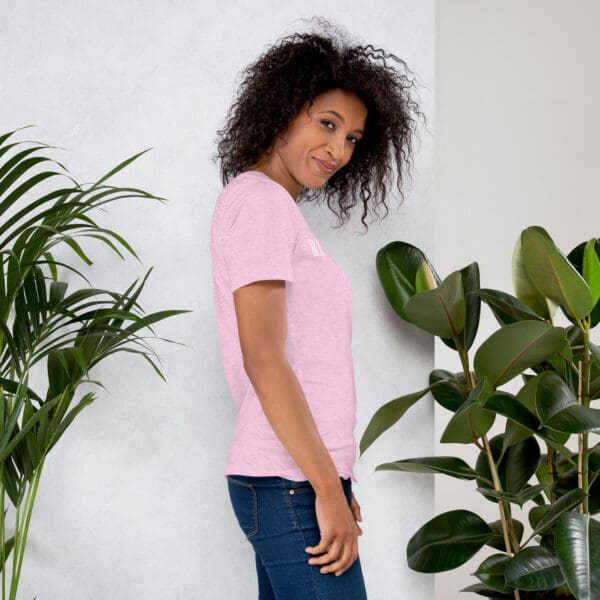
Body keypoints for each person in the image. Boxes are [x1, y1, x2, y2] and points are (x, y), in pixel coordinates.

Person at [210, 19, 425, 600]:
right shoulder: (258, 203)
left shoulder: (275, 210)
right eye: (326, 124)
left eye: (352, 138)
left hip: (297, 476)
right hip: (286, 481)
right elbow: (265, 359)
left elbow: (304, 361)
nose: (337, 150)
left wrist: (331, 478)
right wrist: (324, 489)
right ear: (282, 109)